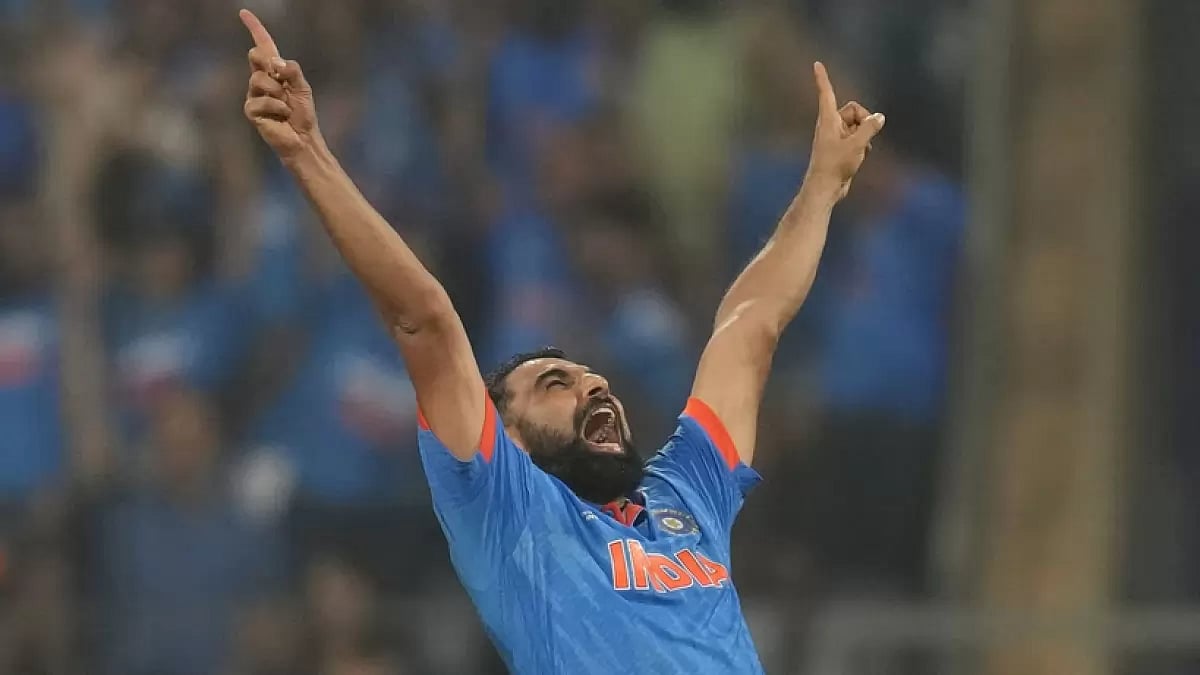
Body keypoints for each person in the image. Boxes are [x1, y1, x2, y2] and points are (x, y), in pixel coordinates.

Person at [238, 9, 884, 674]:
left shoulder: (686, 493)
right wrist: (307, 151)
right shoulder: (507, 511)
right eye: (555, 383)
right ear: (507, 439)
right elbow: (424, 317)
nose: (593, 383)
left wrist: (822, 186)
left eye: (586, 376)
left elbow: (750, 324)